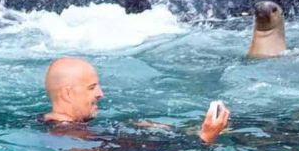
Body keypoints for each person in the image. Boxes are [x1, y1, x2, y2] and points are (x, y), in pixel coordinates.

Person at [42, 57, 230, 144]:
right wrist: (204, 139)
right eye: (92, 88)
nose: (101, 94)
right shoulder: (79, 141)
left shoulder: (45, 126)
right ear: (67, 93)